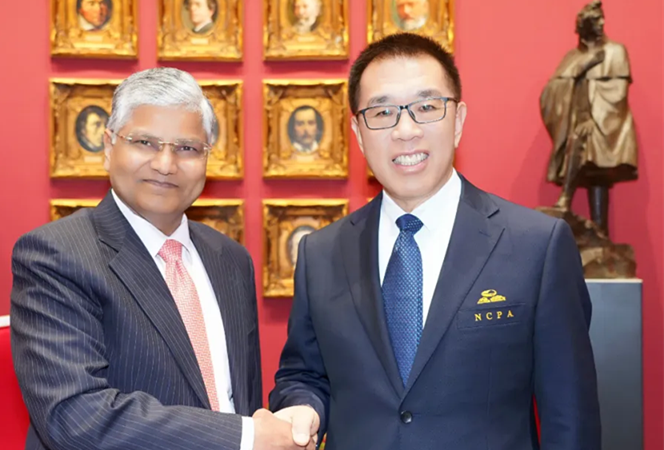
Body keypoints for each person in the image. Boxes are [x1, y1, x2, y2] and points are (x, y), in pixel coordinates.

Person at [268, 33, 601, 450]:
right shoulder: (320, 253)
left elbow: (570, 417)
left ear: (458, 120)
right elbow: (303, 374)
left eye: (426, 107)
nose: (405, 130)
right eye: (382, 112)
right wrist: (302, 406)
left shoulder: (537, 246)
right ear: (358, 132)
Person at [11, 67, 302, 450]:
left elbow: (238, 399)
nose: (166, 164)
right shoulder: (55, 256)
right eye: (145, 142)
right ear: (108, 146)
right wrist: (244, 437)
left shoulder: (230, 259)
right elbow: (75, 416)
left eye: (187, 148)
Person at [540, 0, 637, 236]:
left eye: (602, 19)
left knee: (592, 159)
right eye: (595, 20)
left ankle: (569, 202)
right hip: (579, 121)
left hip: (606, 124)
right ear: (583, 26)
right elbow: (551, 91)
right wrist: (582, 66)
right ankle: (597, 230)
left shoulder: (616, 51)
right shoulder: (572, 57)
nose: (601, 23)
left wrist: (596, 119)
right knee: (581, 147)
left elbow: (618, 93)